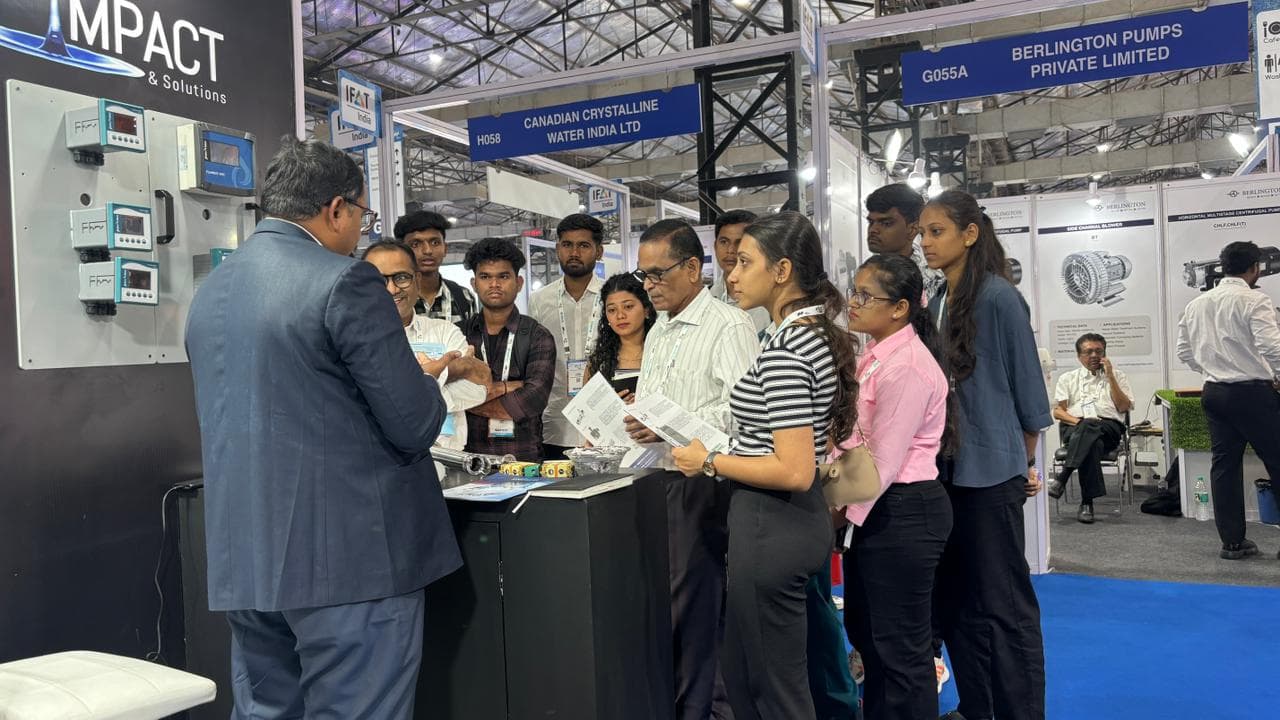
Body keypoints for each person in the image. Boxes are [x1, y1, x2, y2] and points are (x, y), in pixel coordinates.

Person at [185, 137, 461, 718]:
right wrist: (427, 382)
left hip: (250, 560)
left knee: (266, 712)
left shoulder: (211, 292)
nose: (361, 231)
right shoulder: (345, 282)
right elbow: (413, 422)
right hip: (351, 562)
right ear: (337, 208)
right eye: (362, 215)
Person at [670, 212, 858, 719]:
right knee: (765, 677)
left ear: (781, 271)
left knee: (772, 688)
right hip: (788, 521)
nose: (730, 273)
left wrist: (709, 460)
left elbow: (793, 468)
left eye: (744, 262)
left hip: (774, 522)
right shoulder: (804, 334)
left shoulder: (787, 348)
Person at [921, 189, 1051, 720]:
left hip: (991, 476)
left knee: (1005, 608)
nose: (925, 242)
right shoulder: (936, 300)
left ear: (970, 234)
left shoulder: (999, 297)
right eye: (923, 233)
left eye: (937, 232)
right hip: (946, 472)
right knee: (957, 605)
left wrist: (1017, 468)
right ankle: (978, 706)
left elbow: (1029, 397)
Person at [624, 218, 759, 720]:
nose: (650, 286)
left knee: (696, 610)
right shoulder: (659, 328)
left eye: (658, 275)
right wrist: (640, 415)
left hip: (704, 484)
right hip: (658, 477)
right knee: (670, 607)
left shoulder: (729, 325)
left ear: (693, 267)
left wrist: (673, 427)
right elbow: (667, 400)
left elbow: (744, 416)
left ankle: (702, 709)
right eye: (644, 277)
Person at [838, 253, 954, 720]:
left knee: (901, 650)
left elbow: (881, 463)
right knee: (870, 638)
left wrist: (834, 507)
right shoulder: (874, 354)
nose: (854, 302)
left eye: (866, 296)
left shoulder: (905, 365)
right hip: (876, 509)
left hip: (902, 510)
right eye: (855, 291)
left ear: (900, 308)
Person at [1175, 240, 1280, 560]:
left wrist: (1211, 368)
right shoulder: (1255, 300)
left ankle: (1232, 543)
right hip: (1253, 393)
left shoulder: (1197, 304)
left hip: (1215, 393)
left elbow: (1184, 353)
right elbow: (1272, 347)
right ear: (1255, 268)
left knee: (1224, 467)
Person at [362, 240, 491, 451]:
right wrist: (439, 374)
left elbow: (479, 388)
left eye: (401, 277)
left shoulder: (444, 331)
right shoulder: (351, 339)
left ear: (417, 280)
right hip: (379, 459)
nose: (392, 289)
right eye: (378, 280)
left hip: (447, 458)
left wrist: (403, 387)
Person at [459, 237, 556, 460]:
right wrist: (509, 387)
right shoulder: (459, 334)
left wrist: (464, 400)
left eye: (503, 276)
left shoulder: (537, 336)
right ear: (474, 284)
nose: (494, 284)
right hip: (467, 461)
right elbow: (443, 396)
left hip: (523, 461)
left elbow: (532, 400)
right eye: (485, 277)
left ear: (519, 283)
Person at [529, 213, 605, 459]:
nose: (574, 252)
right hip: (555, 424)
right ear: (557, 249)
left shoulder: (612, 297)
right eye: (567, 245)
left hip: (603, 424)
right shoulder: (540, 301)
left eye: (583, 245)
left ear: (599, 251)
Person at [1047, 333, 1134, 524]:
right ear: (1079, 356)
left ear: (1105, 353)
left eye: (1099, 351)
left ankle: (1063, 477)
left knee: (1091, 428)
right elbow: (1058, 412)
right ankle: (1087, 503)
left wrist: (1110, 376)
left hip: (1109, 426)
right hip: (1076, 426)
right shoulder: (1067, 378)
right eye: (1088, 352)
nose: (1094, 355)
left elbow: (1123, 407)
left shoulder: (1118, 376)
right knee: (1092, 442)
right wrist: (1081, 423)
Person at [394, 209, 478, 324]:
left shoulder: (464, 298)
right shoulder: (394, 299)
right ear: (402, 251)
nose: (427, 251)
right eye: (415, 244)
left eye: (435, 243)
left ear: (445, 249)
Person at [866, 183, 944, 302]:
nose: (873, 230)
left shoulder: (933, 279)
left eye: (886, 223)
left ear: (912, 229)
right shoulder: (867, 272)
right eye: (871, 222)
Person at [584, 272, 656, 397]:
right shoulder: (599, 361)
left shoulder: (663, 351)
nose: (620, 316)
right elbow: (584, 412)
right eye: (612, 310)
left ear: (646, 310)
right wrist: (613, 409)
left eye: (628, 307)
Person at [709, 209, 770, 333]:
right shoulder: (706, 298)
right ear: (715, 247)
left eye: (739, 242)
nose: (730, 250)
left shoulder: (768, 300)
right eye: (724, 242)